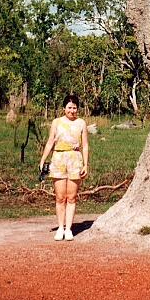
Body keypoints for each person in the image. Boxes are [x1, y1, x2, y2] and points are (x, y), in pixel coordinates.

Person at [39, 93, 89, 241]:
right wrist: (43, 160)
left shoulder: (81, 123)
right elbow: (50, 142)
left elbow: (85, 145)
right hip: (58, 159)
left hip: (75, 159)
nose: (72, 111)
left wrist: (86, 164)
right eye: (69, 108)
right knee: (60, 197)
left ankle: (69, 229)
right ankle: (60, 228)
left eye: (74, 108)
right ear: (64, 108)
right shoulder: (56, 122)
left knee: (71, 197)